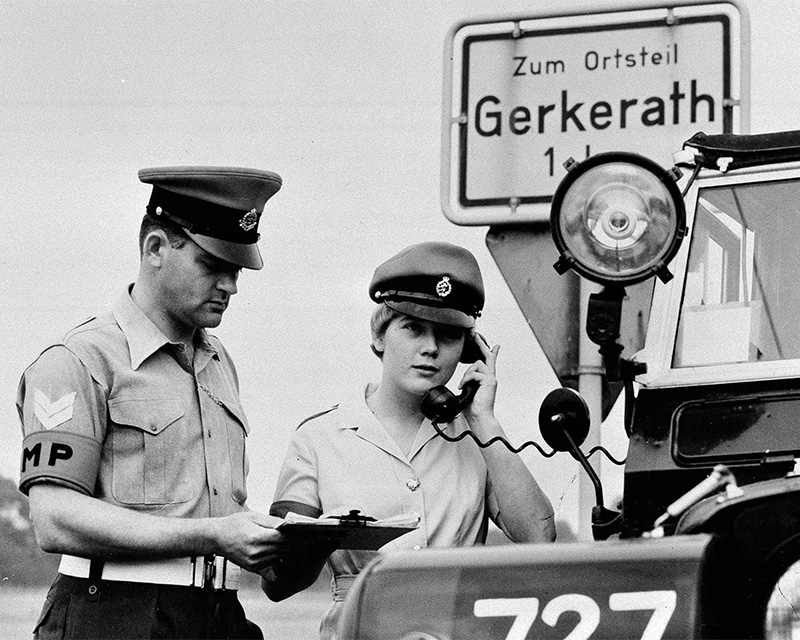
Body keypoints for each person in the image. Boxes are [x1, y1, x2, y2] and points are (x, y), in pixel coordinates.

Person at [17, 166, 291, 639]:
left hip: (218, 614)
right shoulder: (78, 360)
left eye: (237, 269)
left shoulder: (217, 360)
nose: (231, 285)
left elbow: (207, 507)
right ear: (156, 249)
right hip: (115, 616)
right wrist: (215, 534)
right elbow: (54, 518)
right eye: (213, 266)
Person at [261, 241, 556, 639]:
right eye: (413, 328)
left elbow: (539, 537)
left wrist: (483, 418)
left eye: (449, 336)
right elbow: (277, 583)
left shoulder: (479, 438)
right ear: (380, 336)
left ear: (470, 352)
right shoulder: (319, 438)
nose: (430, 348)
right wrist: (323, 537)